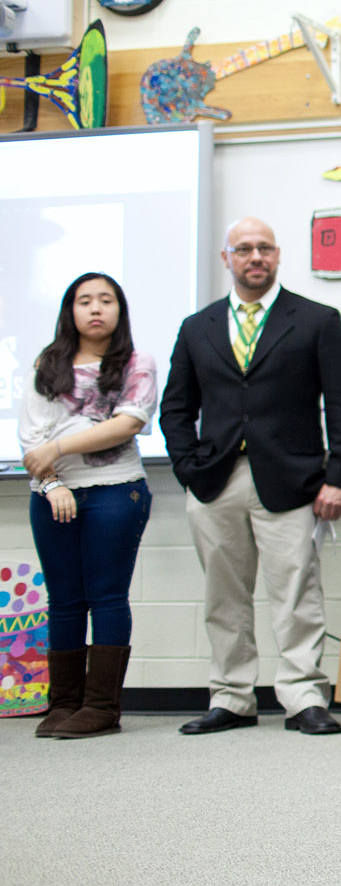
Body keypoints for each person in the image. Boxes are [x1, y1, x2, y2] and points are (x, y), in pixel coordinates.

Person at [160, 217, 341, 737]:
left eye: (265, 248)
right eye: (244, 249)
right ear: (225, 258)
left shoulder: (317, 320)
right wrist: (187, 467)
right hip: (215, 482)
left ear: (278, 256)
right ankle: (231, 697)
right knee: (222, 597)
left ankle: (303, 698)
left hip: (293, 483)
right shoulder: (196, 327)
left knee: (297, 593)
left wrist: (339, 476)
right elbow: (175, 409)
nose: (256, 257)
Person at [19, 273, 157, 739]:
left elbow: (127, 424)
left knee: (106, 596)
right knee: (64, 601)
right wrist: (51, 482)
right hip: (51, 494)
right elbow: (31, 436)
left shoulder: (137, 362)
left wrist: (56, 454)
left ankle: (101, 708)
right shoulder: (47, 363)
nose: (95, 309)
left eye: (106, 300)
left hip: (116, 489)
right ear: (70, 311)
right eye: (84, 301)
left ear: (120, 310)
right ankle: (63, 704)